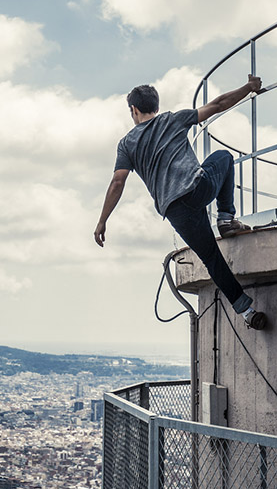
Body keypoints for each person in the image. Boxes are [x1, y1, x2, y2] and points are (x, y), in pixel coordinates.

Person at [94, 74, 268, 329]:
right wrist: (249, 87)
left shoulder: (126, 144)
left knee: (211, 259)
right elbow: (218, 104)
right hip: (198, 189)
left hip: (175, 211)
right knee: (223, 157)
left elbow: (117, 183)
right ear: (156, 106)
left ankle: (247, 312)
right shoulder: (172, 119)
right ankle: (226, 218)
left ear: (133, 110)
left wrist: (102, 221)